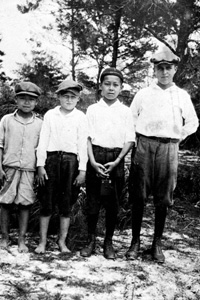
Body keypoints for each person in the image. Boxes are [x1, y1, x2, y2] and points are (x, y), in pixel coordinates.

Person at [126, 47, 199, 263]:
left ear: (175, 69)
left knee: (163, 197)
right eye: (160, 68)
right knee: (139, 195)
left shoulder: (182, 95)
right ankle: (135, 242)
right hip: (145, 145)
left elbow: (193, 123)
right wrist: (137, 141)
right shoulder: (143, 93)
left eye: (168, 68)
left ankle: (157, 243)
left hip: (168, 148)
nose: (164, 72)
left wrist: (177, 137)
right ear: (154, 70)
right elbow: (130, 119)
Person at [80, 67, 135, 259]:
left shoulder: (126, 112)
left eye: (115, 85)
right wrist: (93, 162)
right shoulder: (93, 109)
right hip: (95, 157)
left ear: (121, 88)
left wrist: (118, 160)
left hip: (115, 159)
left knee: (113, 203)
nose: (111, 88)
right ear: (101, 86)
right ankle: (91, 240)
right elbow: (86, 138)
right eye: (107, 84)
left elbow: (129, 139)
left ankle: (108, 242)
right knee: (93, 202)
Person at [35, 79, 88, 254]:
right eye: (65, 96)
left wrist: (82, 169)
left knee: (66, 204)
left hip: (70, 162)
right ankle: (42, 242)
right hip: (51, 161)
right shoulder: (51, 115)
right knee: (47, 202)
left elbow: (82, 144)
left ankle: (62, 241)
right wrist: (40, 165)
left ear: (78, 98)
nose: (69, 100)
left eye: (73, 96)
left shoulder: (80, 117)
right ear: (58, 97)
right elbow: (43, 141)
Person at [0, 81, 42, 252]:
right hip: (9, 167)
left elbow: (41, 149)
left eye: (31, 99)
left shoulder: (40, 123)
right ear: (16, 100)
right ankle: (4, 237)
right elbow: (0, 145)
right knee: (5, 202)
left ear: (36, 102)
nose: (27, 102)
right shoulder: (7, 120)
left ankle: (22, 240)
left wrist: (40, 168)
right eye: (22, 98)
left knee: (25, 204)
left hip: (28, 169)